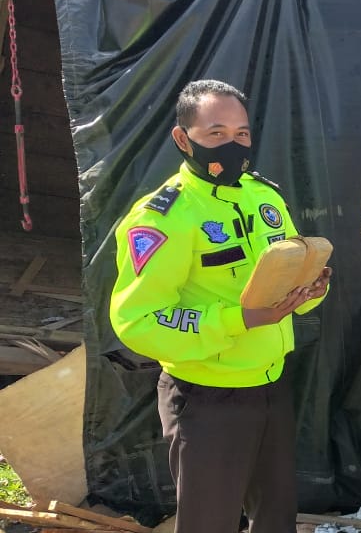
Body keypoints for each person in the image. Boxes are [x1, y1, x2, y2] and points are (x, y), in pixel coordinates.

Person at [109, 79, 331, 532]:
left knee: (275, 520)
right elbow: (138, 319)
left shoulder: (264, 197)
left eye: (242, 134)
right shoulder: (163, 217)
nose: (233, 145)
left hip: (271, 386)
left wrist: (310, 289)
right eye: (216, 133)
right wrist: (239, 320)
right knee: (209, 524)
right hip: (206, 400)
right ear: (182, 138)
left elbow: (286, 278)